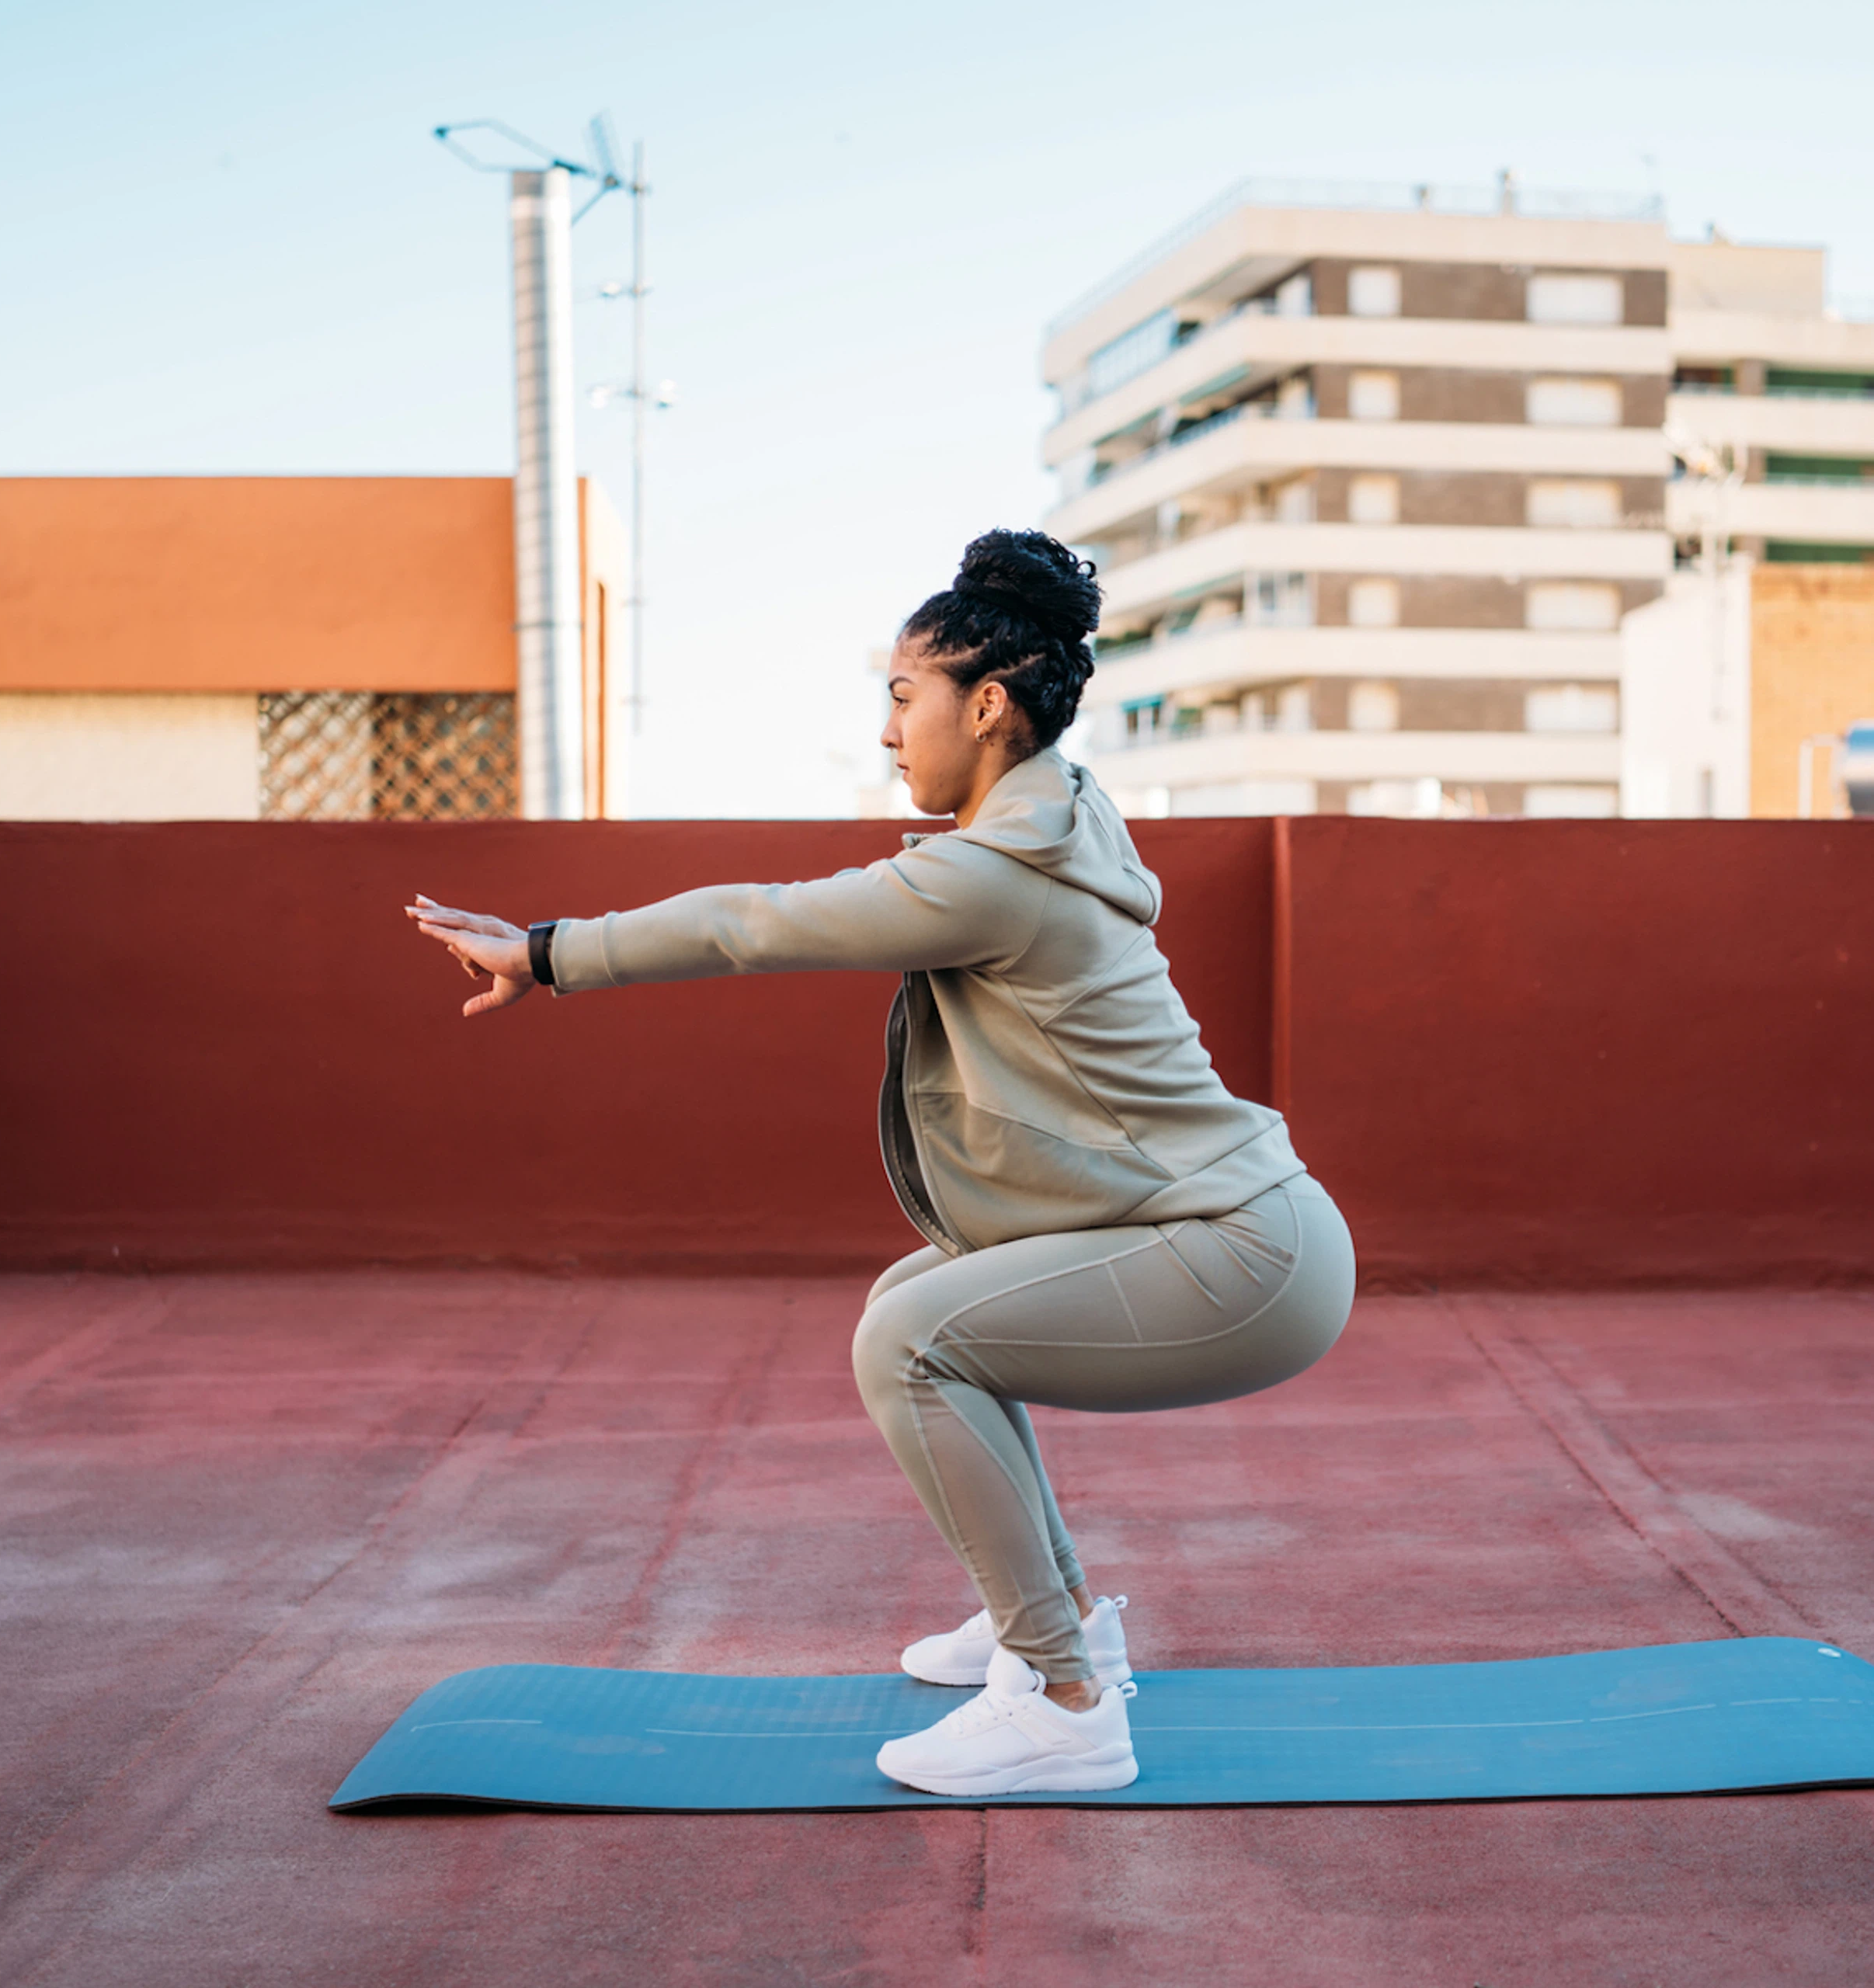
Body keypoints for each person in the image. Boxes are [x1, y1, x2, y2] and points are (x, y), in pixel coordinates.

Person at [405, 529, 1354, 1797]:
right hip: (1242, 1227)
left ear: (990, 705)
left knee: (910, 1348)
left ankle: (1066, 1703)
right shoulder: (1058, 812)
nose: (891, 731)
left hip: (1246, 1255)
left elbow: (756, 925)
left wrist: (550, 949)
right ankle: (1062, 1623)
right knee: (912, 1306)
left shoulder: (995, 876)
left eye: (905, 698)